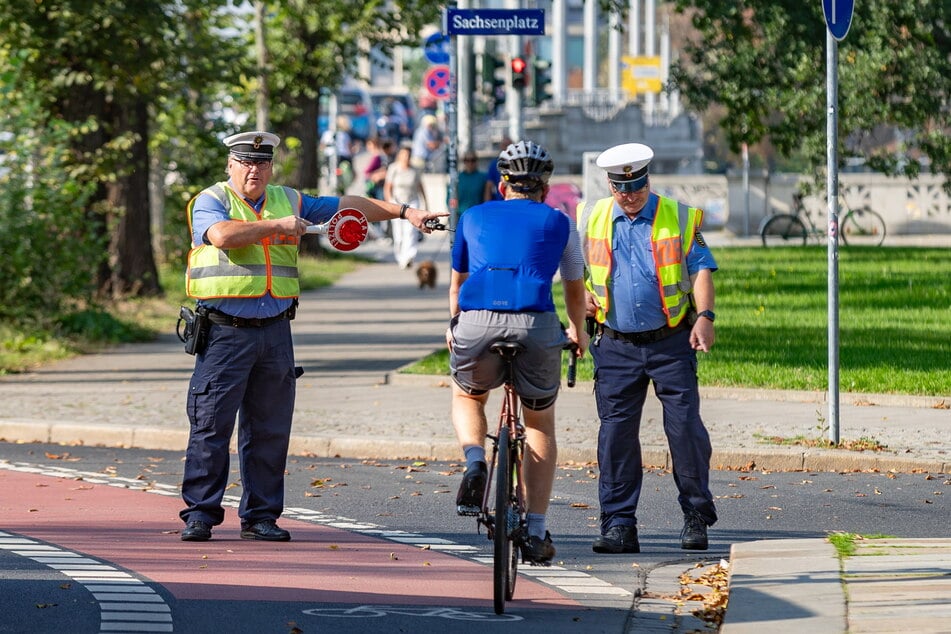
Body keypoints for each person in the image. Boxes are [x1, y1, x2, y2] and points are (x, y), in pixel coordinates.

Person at [179, 131, 445, 542]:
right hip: (223, 333)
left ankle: (261, 517)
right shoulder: (211, 200)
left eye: (262, 162)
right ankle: (200, 513)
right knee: (211, 426)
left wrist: (403, 211)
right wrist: (278, 226)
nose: (255, 169)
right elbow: (222, 237)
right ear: (230, 165)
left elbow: (348, 206)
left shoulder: (289, 198)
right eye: (246, 162)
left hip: (275, 331)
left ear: (270, 167)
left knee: (269, 429)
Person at [447, 140, 589, 565]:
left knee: (468, 396)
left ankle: (475, 460)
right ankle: (537, 530)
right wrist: (577, 332)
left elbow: (458, 284)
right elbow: (573, 287)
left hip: (477, 321)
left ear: (502, 183)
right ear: (545, 187)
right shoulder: (560, 222)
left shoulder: (471, 217)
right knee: (540, 422)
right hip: (535, 323)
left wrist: (454, 325)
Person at [576, 142, 718, 554]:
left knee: (685, 428)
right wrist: (579, 304)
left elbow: (701, 270)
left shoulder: (677, 217)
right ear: (610, 185)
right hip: (615, 344)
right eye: (622, 187)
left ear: (647, 179)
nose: (630, 194)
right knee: (616, 435)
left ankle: (696, 516)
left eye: (637, 185)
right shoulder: (592, 217)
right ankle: (619, 525)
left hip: (670, 341)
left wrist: (705, 317)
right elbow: (577, 273)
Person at [383, 141, 429, 269]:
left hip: (412, 201)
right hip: (397, 202)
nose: (406, 158)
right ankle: (400, 257)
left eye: (408, 155)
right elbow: (388, 187)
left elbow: (420, 186)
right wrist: (389, 202)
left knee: (411, 232)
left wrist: (425, 202)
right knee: (399, 233)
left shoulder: (415, 170)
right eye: (404, 155)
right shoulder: (394, 168)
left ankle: (409, 256)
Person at [456, 150, 487, 216]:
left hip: (477, 216)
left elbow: (487, 199)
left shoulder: (483, 177)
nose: (470, 163)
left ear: (477, 161)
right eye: (467, 160)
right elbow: (450, 199)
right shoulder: (457, 178)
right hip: (461, 216)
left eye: (473, 160)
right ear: (464, 162)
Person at [482, 136, 513, 202]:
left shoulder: (517, 163)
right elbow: (489, 186)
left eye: (509, 145)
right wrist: (487, 205)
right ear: (501, 147)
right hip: (500, 201)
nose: (506, 148)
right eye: (504, 145)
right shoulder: (494, 164)